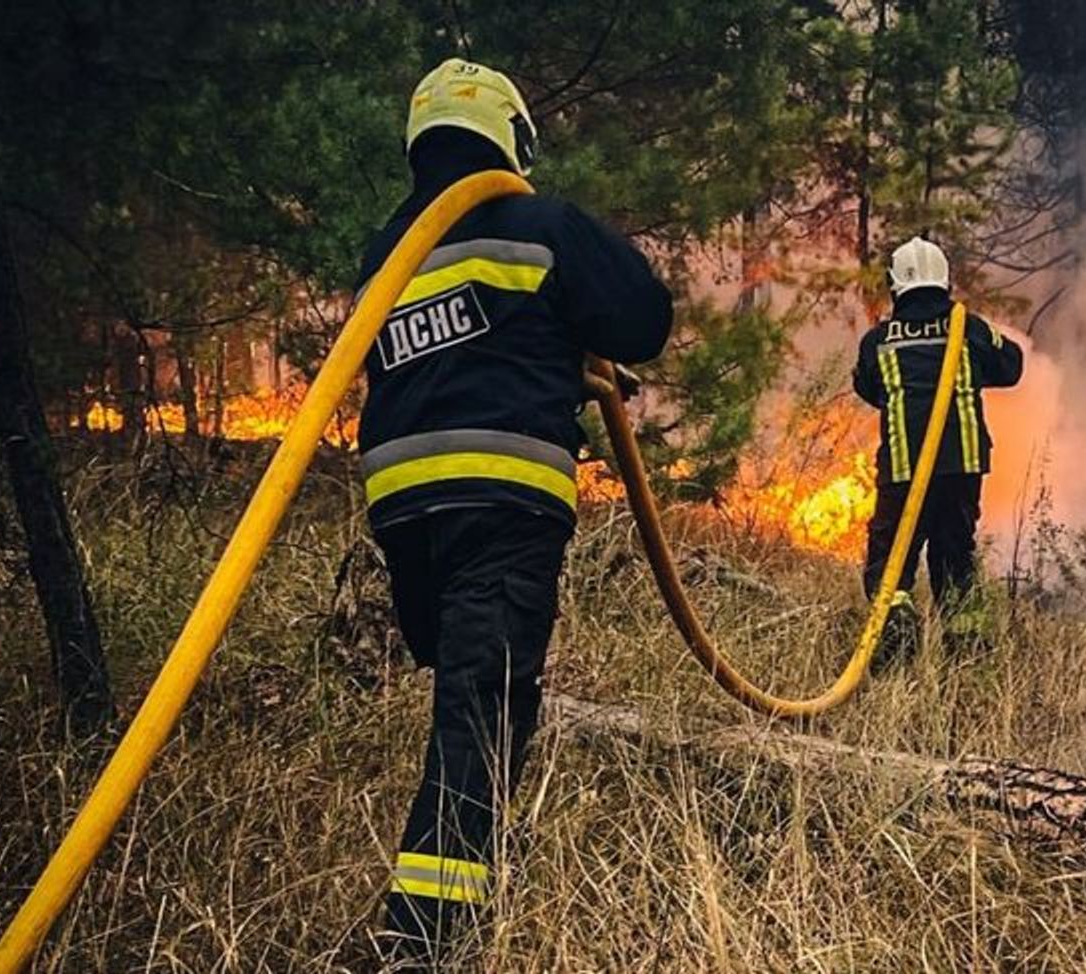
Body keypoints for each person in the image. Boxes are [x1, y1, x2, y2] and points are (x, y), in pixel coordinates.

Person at [354, 58, 672, 959]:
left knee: (462, 686)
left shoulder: (390, 250)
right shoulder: (541, 223)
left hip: (403, 504)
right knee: (481, 711)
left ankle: (458, 865)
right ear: (511, 137)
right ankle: (429, 933)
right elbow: (643, 318)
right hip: (502, 495)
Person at [853, 236, 1023, 663]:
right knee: (955, 561)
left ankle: (897, 634)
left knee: (890, 563)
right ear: (946, 284)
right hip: (961, 470)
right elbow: (1012, 366)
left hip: (904, 473)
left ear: (895, 287)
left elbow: (869, 388)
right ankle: (968, 657)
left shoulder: (878, 341)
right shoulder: (970, 330)